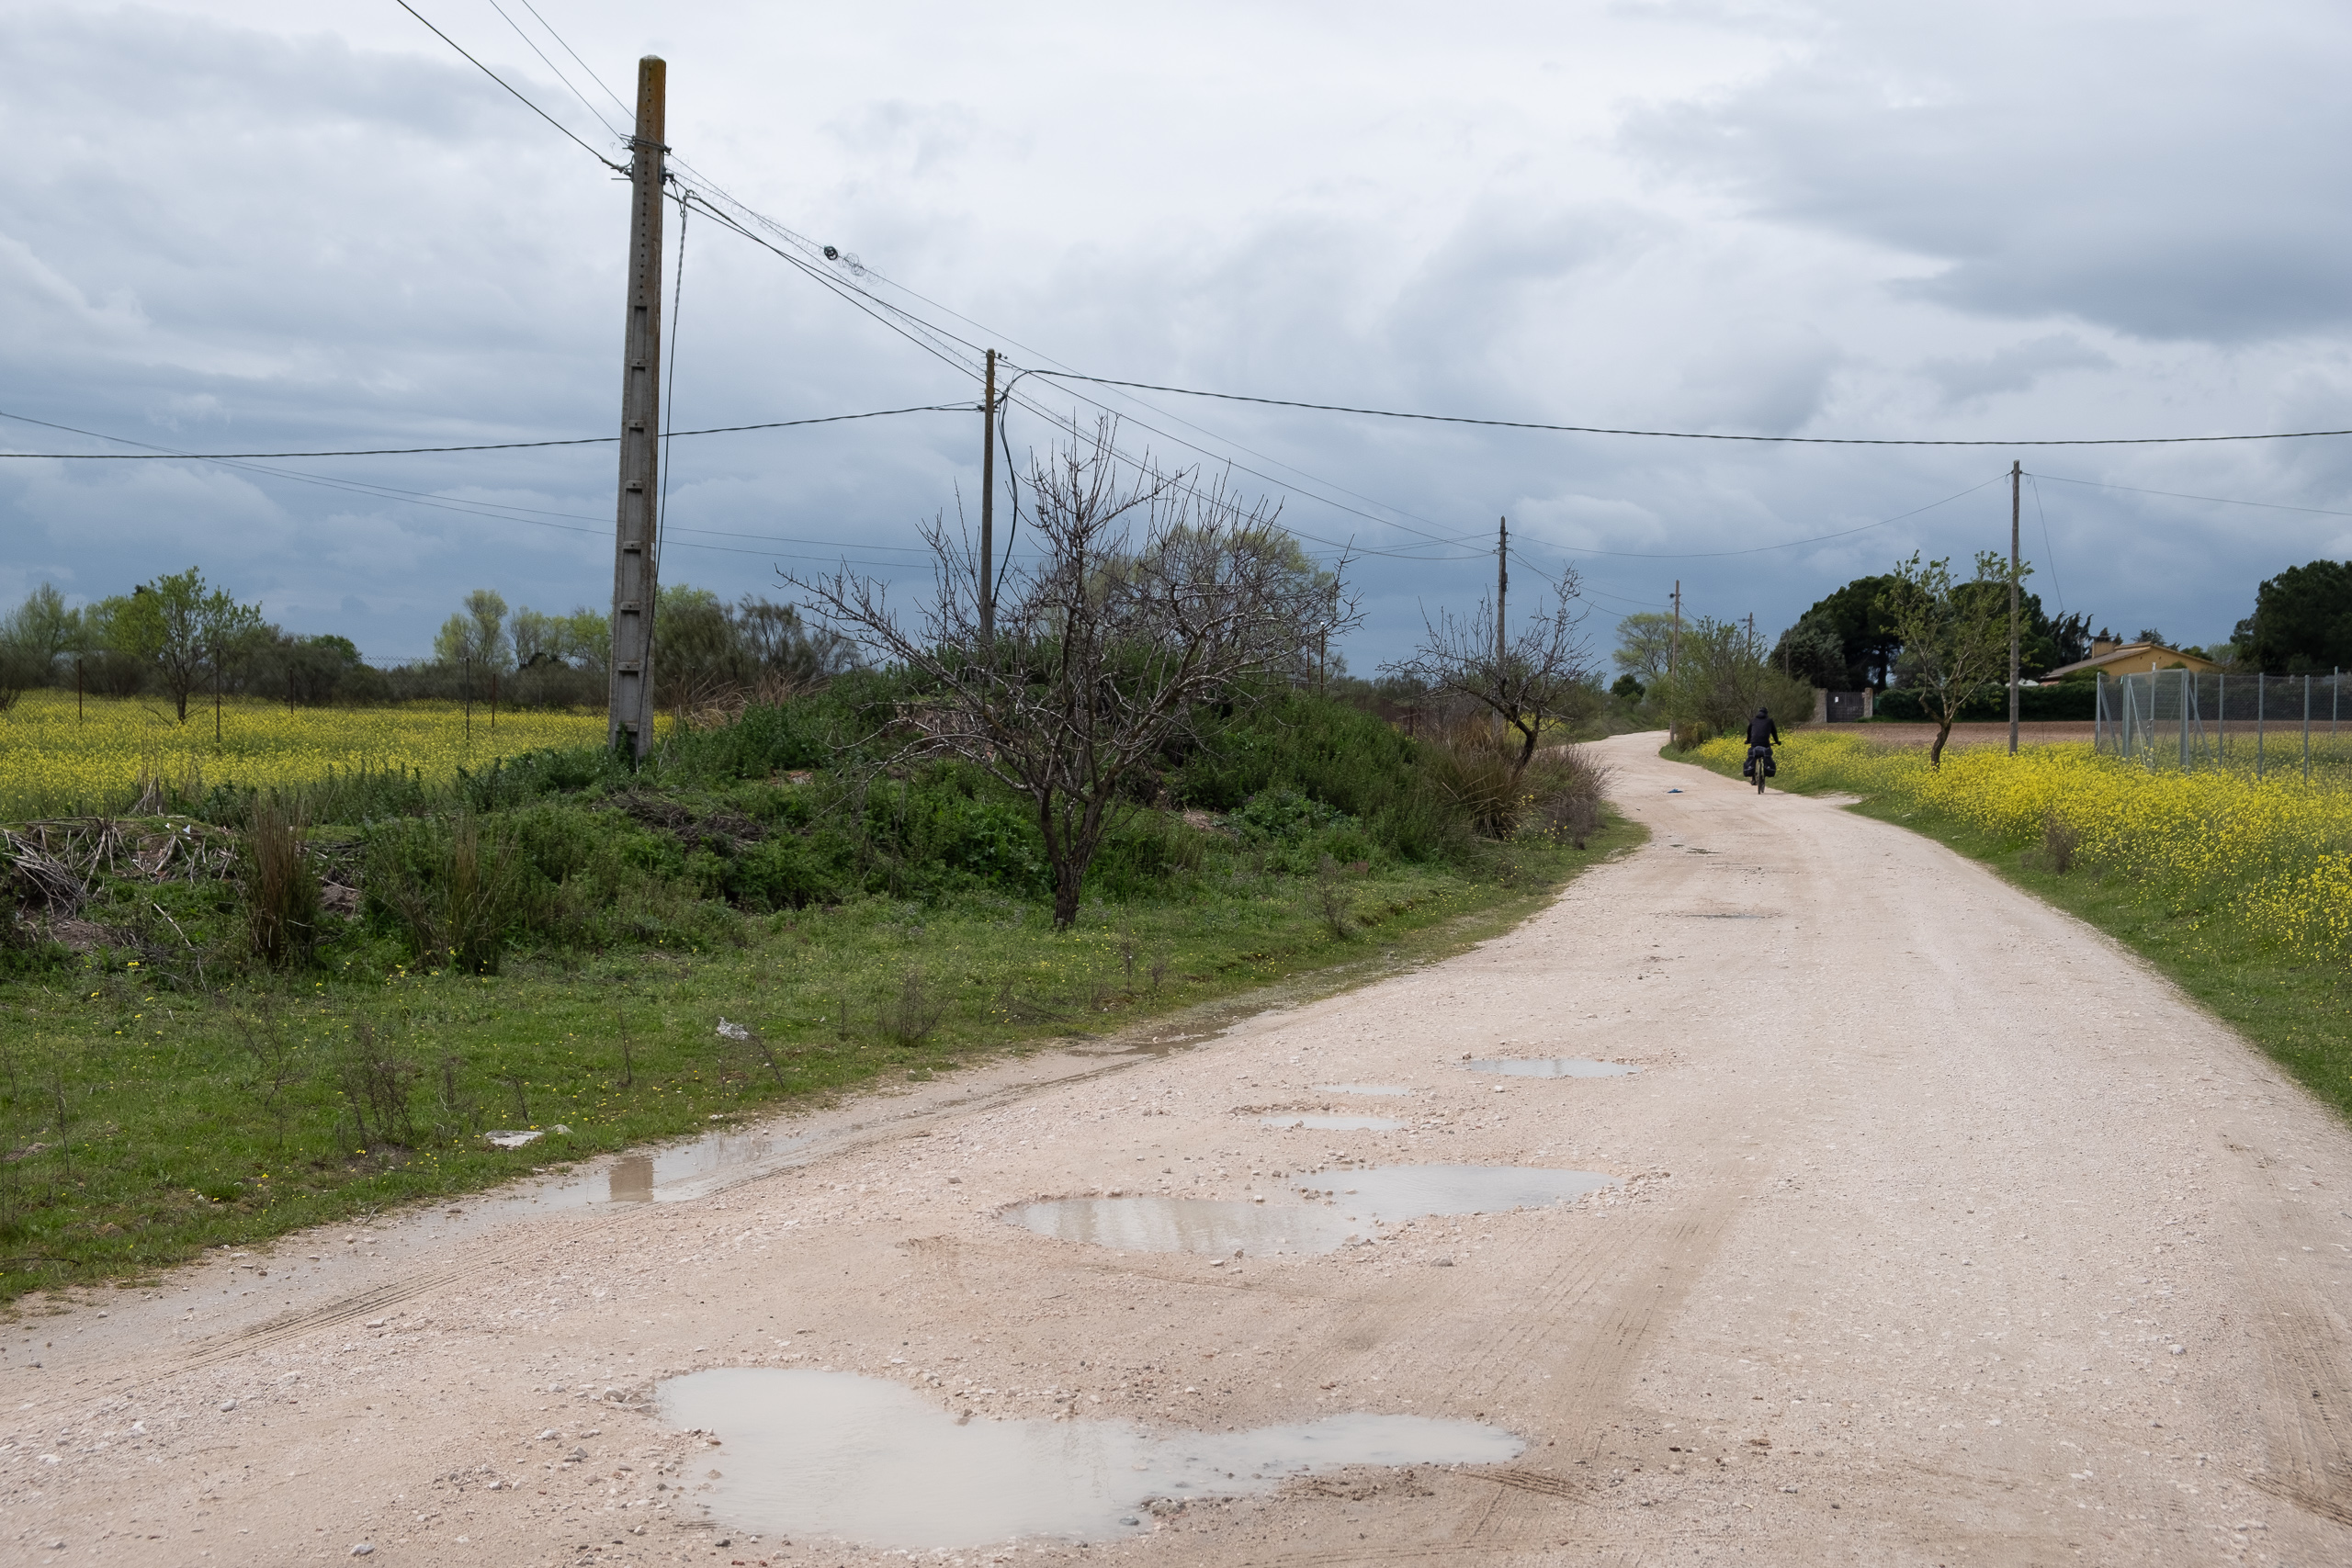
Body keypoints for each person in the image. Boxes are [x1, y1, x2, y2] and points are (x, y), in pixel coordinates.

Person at [1743, 706, 1781, 780]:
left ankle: (1753, 776)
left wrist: (1748, 741)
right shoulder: (1769, 721)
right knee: (1767, 754)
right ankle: (1766, 769)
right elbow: (1774, 733)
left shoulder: (1753, 720)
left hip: (1754, 743)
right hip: (1765, 744)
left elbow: (1749, 732)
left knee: (1753, 755)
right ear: (1766, 713)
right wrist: (1777, 742)